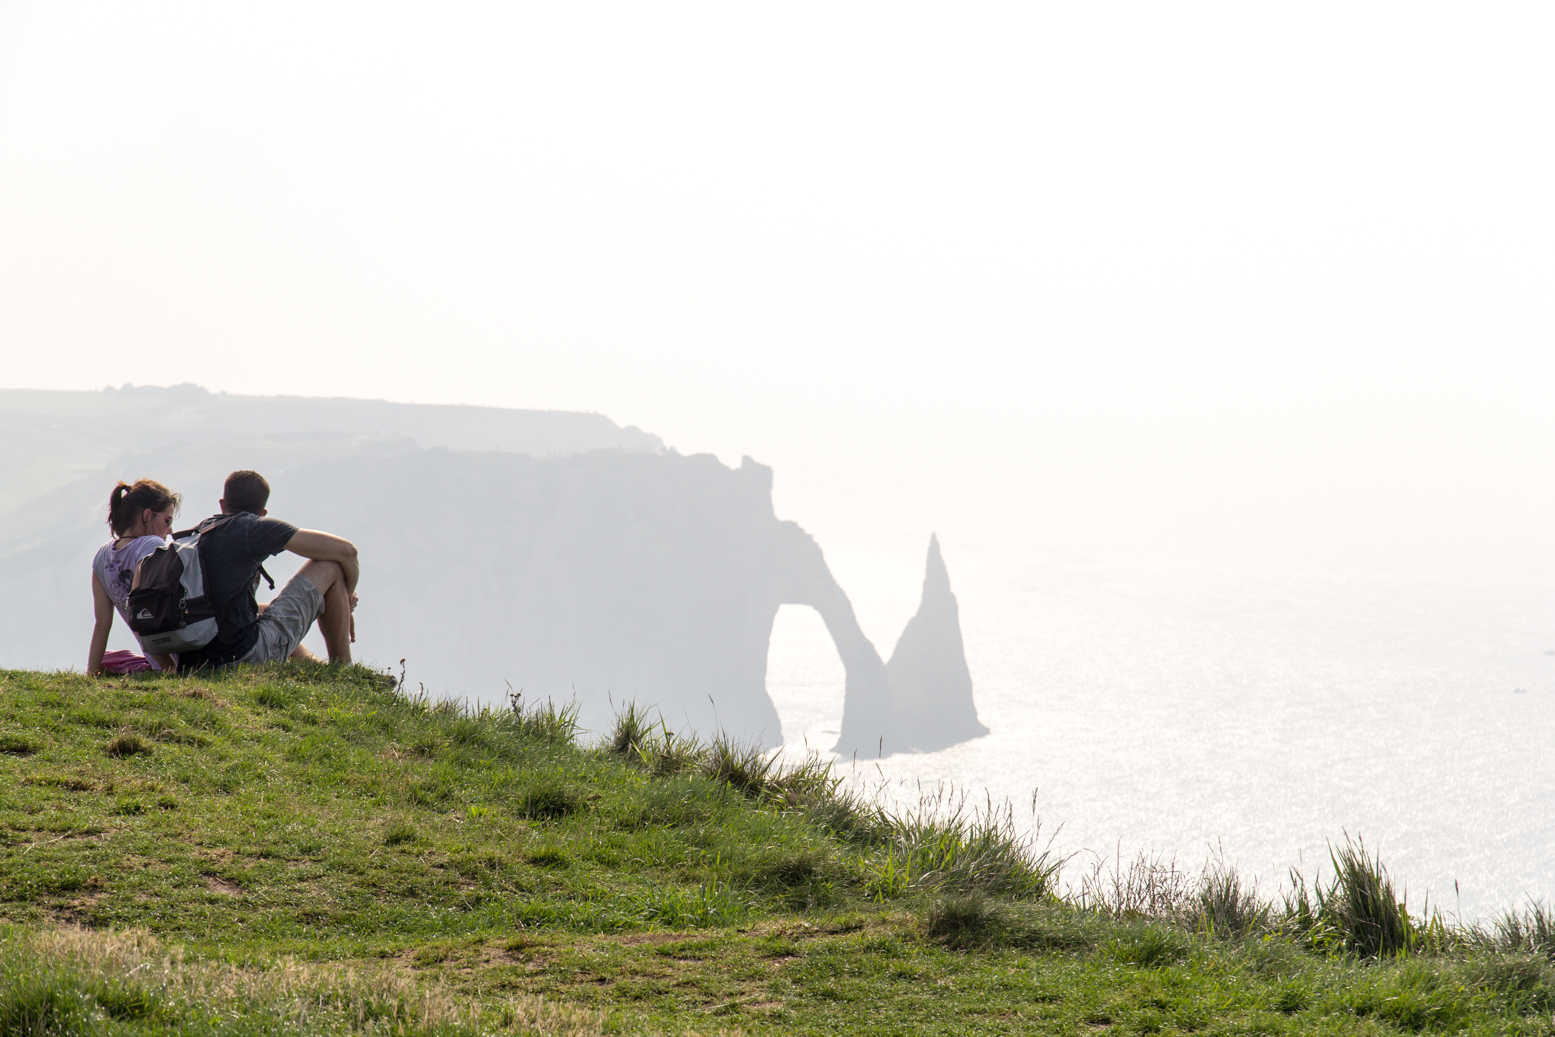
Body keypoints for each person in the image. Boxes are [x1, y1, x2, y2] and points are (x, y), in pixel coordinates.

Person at [174, 470, 360, 672]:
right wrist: (346, 602)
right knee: (330, 566)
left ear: (222, 503)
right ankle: (344, 669)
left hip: (194, 661)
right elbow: (347, 551)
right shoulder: (250, 527)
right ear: (262, 514)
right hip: (242, 657)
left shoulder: (196, 535)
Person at [89, 479, 181, 675]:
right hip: (180, 659)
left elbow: (102, 623)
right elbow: (143, 612)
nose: (170, 530)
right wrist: (170, 667)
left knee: (110, 657)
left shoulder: (102, 556)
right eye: (167, 520)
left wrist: (91, 673)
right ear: (148, 516)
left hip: (155, 661)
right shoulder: (152, 545)